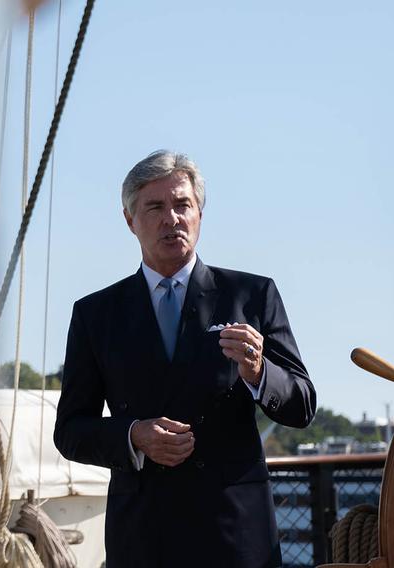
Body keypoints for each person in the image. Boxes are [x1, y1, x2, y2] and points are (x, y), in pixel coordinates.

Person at [53, 150, 316, 568]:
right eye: (155, 207)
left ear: (199, 214)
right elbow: (69, 431)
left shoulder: (252, 294)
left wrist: (258, 372)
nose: (171, 218)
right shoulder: (95, 314)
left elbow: (303, 404)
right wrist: (135, 435)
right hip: (143, 535)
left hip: (235, 532)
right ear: (129, 220)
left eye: (182, 205)